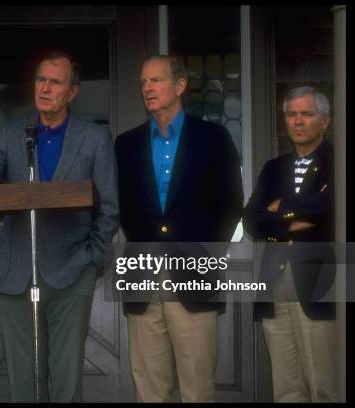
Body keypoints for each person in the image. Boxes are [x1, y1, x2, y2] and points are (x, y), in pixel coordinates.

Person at [0, 51, 119, 402]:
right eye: (41, 79)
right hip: (18, 271)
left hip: (72, 270)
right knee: (23, 380)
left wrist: (91, 259)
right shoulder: (13, 132)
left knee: (67, 379)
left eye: (56, 82)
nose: (45, 87)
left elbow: (110, 208)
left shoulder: (95, 138)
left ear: (73, 91)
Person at [114, 55, 243, 402]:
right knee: (150, 388)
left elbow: (231, 205)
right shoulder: (125, 145)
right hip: (142, 279)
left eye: (155, 80)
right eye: (143, 82)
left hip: (195, 276)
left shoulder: (213, 139)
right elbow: (122, 208)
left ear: (180, 86)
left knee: (197, 389)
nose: (147, 88)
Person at [243, 86, 336, 402]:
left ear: (325, 121)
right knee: (286, 390)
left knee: (325, 386)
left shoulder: (339, 161)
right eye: (292, 114)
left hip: (325, 283)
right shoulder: (273, 168)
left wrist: (280, 208)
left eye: (306, 114)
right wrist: (300, 214)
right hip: (274, 283)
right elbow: (252, 221)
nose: (298, 121)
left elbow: (332, 209)